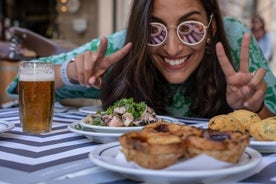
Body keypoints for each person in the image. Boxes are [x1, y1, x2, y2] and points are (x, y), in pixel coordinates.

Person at [7, 0, 276, 119]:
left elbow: (272, 119)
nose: (172, 48)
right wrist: (69, 72)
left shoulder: (234, 39)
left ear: (212, 27)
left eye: (190, 29)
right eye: (154, 30)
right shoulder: (120, 48)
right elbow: (19, 85)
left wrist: (253, 107)